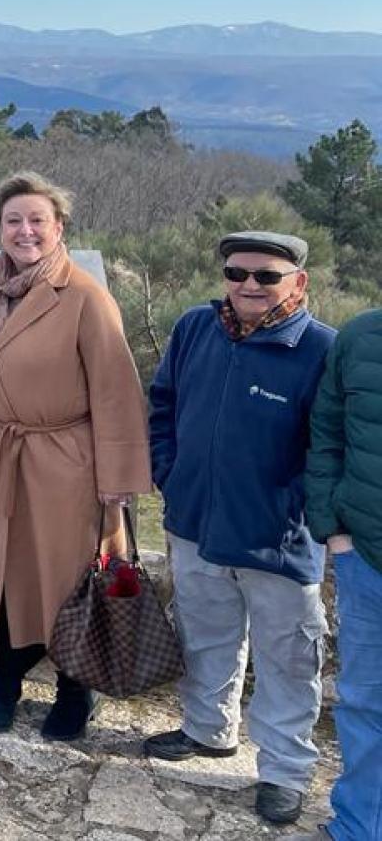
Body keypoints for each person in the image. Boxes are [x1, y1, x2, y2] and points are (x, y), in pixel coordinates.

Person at [0, 172, 149, 741]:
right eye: (14, 220)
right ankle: (3, 678)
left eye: (37, 220)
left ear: (59, 228)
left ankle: (74, 689)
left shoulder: (84, 296)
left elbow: (116, 390)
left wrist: (117, 481)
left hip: (65, 460)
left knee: (67, 575)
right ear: (0, 227)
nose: (25, 231)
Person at [144, 231, 335, 826]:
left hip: (278, 538)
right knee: (205, 635)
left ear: (297, 282)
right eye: (237, 272)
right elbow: (163, 403)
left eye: (267, 276)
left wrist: (295, 509)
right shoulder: (195, 329)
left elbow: (329, 446)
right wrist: (168, 472)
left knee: (288, 658)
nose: (249, 285)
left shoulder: (321, 350)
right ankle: (208, 731)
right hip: (195, 519)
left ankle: (283, 771)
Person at [298, 305, 382, 841]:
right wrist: (333, 529)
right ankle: (357, 828)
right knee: (364, 701)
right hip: (366, 557)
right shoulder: (358, 337)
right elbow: (325, 435)